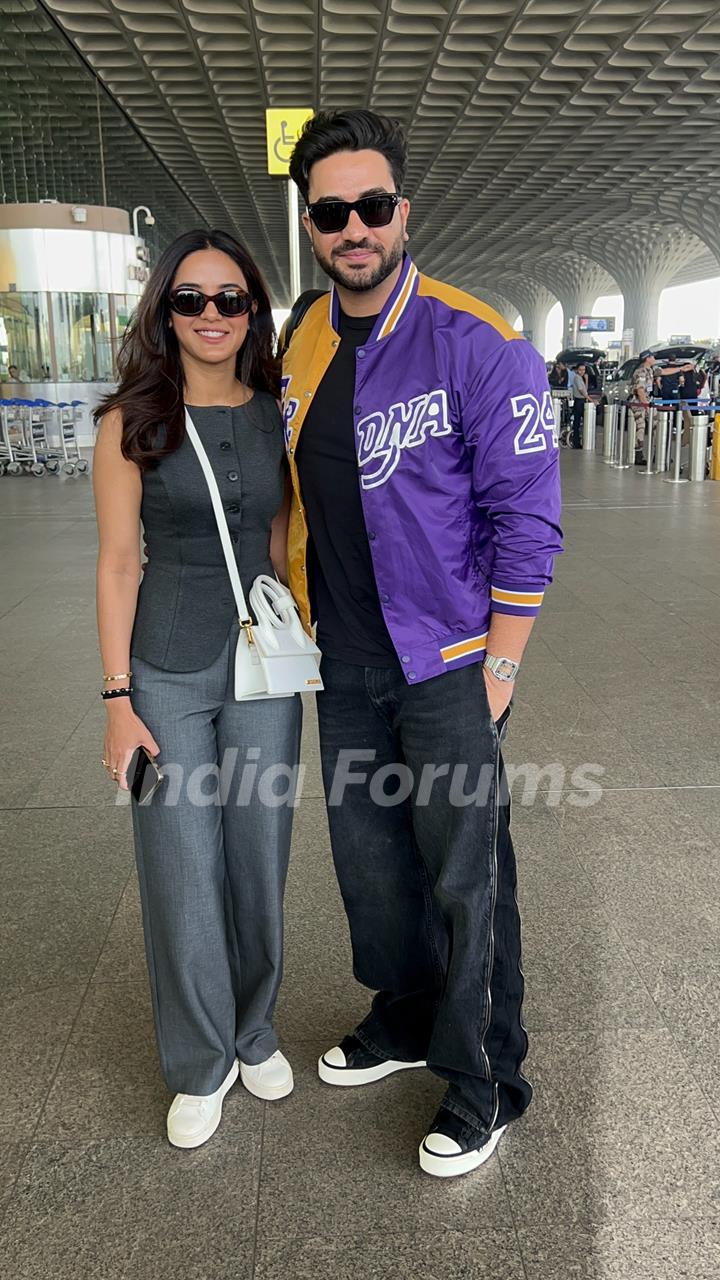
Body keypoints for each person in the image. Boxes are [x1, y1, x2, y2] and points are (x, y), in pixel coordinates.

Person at [284, 109, 562, 1178]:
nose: (354, 226)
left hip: (448, 660)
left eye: (372, 205)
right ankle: (403, 1016)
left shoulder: (475, 338)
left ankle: (487, 1076)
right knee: (372, 862)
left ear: (404, 210)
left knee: (466, 871)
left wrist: (500, 664)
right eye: (331, 211)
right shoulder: (304, 336)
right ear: (311, 222)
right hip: (345, 658)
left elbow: (527, 517)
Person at [93, 229, 301, 1150]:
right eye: (191, 299)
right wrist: (115, 701)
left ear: (254, 309)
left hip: (264, 675)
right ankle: (200, 1059)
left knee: (258, 855)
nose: (211, 316)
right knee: (181, 867)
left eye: (229, 299)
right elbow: (115, 565)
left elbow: (283, 533)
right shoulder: (129, 420)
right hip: (166, 670)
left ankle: (253, 1028)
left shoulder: (274, 414)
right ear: (164, 312)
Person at [570, 363, 589, 448]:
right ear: (577, 370)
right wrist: (590, 399)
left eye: (584, 370)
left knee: (581, 422)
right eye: (580, 370)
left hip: (582, 401)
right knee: (577, 423)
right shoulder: (577, 378)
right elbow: (581, 391)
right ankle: (576, 443)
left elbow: (585, 390)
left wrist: (586, 380)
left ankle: (580, 442)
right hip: (579, 402)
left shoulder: (581, 378)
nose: (582, 371)